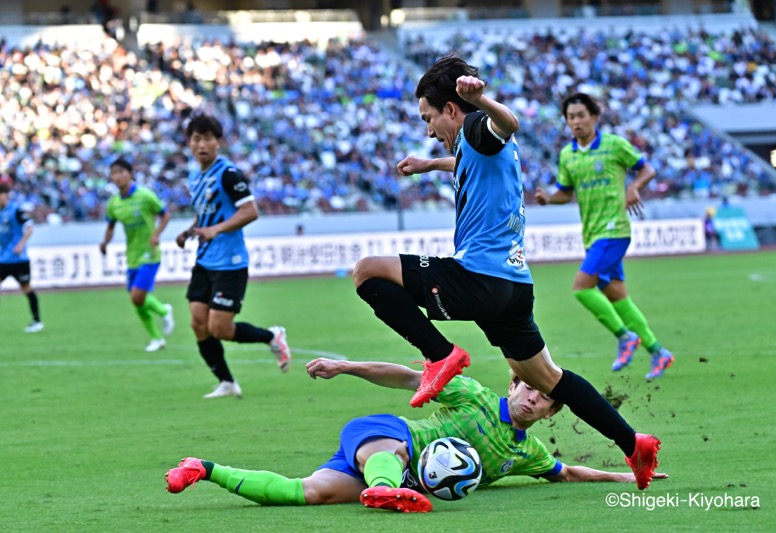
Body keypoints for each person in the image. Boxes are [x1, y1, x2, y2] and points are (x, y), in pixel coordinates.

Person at [352, 56, 660, 489]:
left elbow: (507, 124)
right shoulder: (470, 147)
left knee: (367, 272)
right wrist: (428, 164)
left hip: (479, 277)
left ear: (453, 110)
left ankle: (440, 356)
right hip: (513, 287)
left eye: (429, 118)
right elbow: (468, 161)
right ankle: (634, 444)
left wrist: (482, 101)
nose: (428, 130)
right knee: (549, 379)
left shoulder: (479, 127)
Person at [165, 358, 667, 512]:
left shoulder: (526, 453)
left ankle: (203, 468)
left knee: (307, 494)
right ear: (514, 382)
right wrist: (346, 367)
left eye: (544, 399)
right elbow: (409, 377)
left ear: (552, 412)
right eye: (529, 388)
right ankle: (383, 488)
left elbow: (566, 474)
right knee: (396, 450)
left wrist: (622, 478)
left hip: (398, 472)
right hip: (384, 435)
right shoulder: (469, 392)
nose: (534, 398)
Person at [534, 93, 675, 380]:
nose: (576, 122)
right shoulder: (568, 155)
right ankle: (658, 352)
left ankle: (625, 337)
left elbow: (647, 169)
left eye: (581, 116)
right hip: (592, 234)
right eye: (570, 117)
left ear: (594, 117)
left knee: (582, 288)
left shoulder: (613, 145)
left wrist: (634, 187)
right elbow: (565, 192)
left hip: (615, 231)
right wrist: (549, 199)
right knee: (617, 297)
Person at [176, 112, 291, 399]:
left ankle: (271, 336)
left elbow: (250, 211)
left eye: (207, 139)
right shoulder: (195, 175)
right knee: (197, 323)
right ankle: (227, 382)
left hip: (230, 263)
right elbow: (205, 214)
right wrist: (191, 230)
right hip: (204, 259)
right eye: (196, 139)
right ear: (189, 143)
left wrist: (215, 230)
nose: (201, 145)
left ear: (218, 142)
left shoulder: (228, 174)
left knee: (220, 328)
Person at [100, 157, 175, 352]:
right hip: (131, 255)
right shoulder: (114, 203)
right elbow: (110, 226)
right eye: (114, 173)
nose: (117, 177)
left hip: (149, 254)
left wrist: (157, 234)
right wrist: (104, 242)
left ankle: (163, 310)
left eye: (121, 172)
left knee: (136, 296)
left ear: (130, 173)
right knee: (137, 301)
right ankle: (157, 338)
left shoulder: (145, 195)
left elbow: (165, 215)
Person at [0, 183, 43, 332]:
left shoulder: (15, 211)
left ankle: (37, 321)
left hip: (19, 259)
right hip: (2, 259)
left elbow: (29, 228)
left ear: (6, 195)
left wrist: (21, 244)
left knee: (26, 288)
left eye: (1, 194)